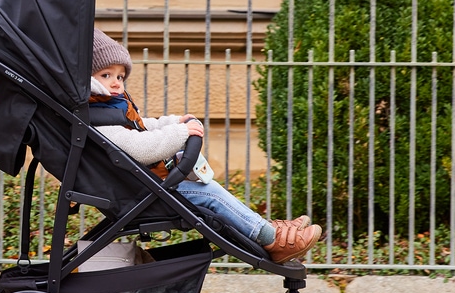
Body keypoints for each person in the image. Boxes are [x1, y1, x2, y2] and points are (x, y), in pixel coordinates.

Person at [89, 30, 322, 263]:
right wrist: (181, 132)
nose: (116, 83)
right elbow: (142, 147)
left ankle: (267, 229)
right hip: (141, 194)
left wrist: (174, 121)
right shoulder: (100, 119)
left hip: (143, 186)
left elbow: (142, 126)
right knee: (210, 194)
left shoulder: (109, 111)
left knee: (208, 188)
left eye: (120, 77)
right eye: (106, 74)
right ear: (87, 80)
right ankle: (272, 239)